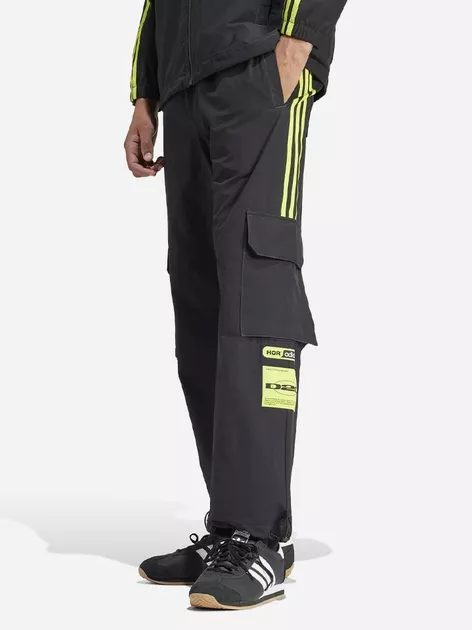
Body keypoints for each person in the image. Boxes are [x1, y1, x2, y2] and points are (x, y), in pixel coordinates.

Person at [124, 0, 347, 610]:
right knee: (200, 302)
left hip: (258, 60)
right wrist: (146, 92)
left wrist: (296, 44)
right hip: (185, 83)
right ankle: (230, 528)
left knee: (257, 288)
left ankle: (262, 535)